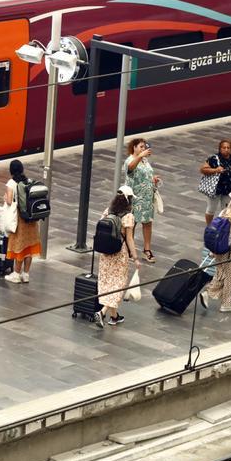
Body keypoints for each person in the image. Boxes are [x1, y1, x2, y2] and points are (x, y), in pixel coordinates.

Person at [92, 188, 138, 328]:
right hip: (119, 253)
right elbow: (129, 239)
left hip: (106, 253)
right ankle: (102, 312)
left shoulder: (108, 211)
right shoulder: (128, 216)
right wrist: (135, 257)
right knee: (118, 284)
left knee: (107, 282)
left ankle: (114, 317)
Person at [200, 191, 231, 313]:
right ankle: (225, 304)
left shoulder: (224, 212)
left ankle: (209, 293)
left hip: (219, 248)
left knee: (220, 272)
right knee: (230, 277)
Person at [2, 160, 41, 283]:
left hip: (19, 219)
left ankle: (16, 274)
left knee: (19, 246)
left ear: (11, 171)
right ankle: (26, 274)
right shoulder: (28, 181)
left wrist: (5, 197)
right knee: (29, 247)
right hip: (31, 219)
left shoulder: (11, 183)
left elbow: (9, 201)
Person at [123, 137, 161, 264]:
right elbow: (130, 168)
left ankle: (147, 250)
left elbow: (146, 174)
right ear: (134, 147)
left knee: (147, 223)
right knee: (131, 223)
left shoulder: (145, 161)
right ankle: (129, 248)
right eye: (141, 147)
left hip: (146, 197)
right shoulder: (130, 160)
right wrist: (140, 156)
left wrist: (153, 179)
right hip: (134, 197)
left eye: (144, 147)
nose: (143, 149)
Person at [201, 139, 231, 225]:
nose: (226, 149)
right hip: (216, 188)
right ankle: (209, 226)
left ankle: (223, 227)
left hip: (228, 189)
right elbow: (203, 169)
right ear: (220, 148)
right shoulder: (214, 158)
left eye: (228, 148)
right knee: (211, 209)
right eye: (224, 147)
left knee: (226, 210)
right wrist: (215, 170)